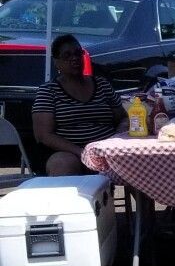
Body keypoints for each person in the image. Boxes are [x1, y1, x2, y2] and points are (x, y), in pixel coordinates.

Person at [32, 34, 127, 175]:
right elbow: (43, 135)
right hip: (69, 153)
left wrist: (115, 141)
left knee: (139, 161)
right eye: (67, 55)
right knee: (62, 164)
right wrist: (81, 152)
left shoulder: (102, 84)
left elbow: (123, 118)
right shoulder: (48, 91)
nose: (74, 58)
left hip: (107, 152)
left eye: (78, 54)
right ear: (56, 62)